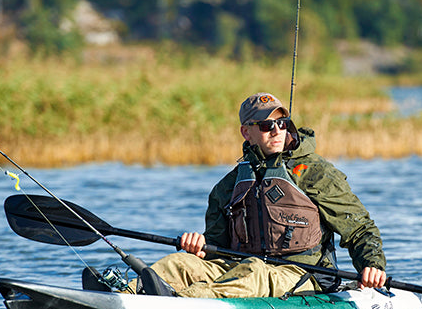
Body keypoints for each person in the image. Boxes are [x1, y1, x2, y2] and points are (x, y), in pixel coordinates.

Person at [142, 91, 388, 298]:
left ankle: (179, 302)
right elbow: (218, 248)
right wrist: (201, 247)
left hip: (303, 274)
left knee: (254, 271)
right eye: (266, 125)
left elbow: (359, 229)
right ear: (246, 133)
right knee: (177, 264)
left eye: (282, 123)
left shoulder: (316, 173)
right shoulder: (228, 186)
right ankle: (122, 294)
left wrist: (372, 266)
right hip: (241, 267)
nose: (277, 130)